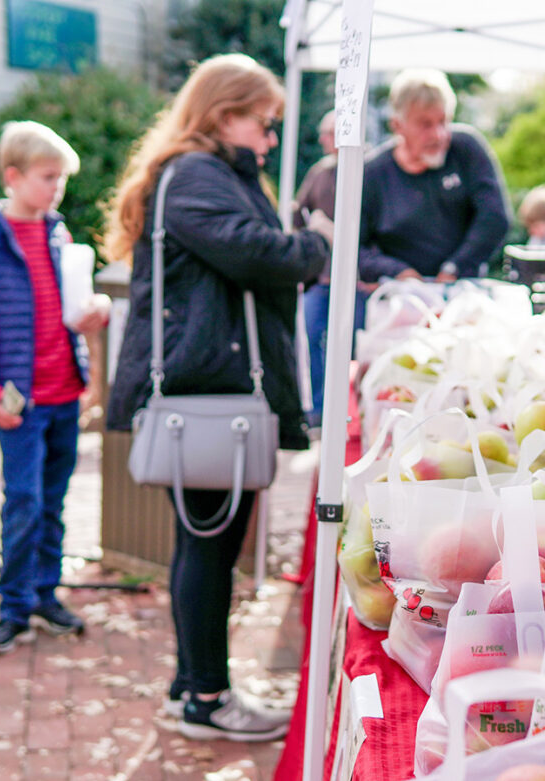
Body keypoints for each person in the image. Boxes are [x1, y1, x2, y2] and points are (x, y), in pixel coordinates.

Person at [102, 54, 330, 742]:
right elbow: (257, 253)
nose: (267, 139)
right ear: (224, 112)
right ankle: (206, 696)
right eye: (262, 123)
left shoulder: (195, 171)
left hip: (206, 387)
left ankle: (190, 686)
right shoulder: (198, 174)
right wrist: (313, 242)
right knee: (208, 545)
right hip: (207, 390)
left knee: (201, 542)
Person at [0, 120, 107, 655]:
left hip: (63, 391)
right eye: (49, 178)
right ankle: (14, 606)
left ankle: (46, 594)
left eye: (61, 180)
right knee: (22, 501)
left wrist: (95, 323)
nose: (57, 189)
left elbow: (73, 309)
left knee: (54, 499)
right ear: (13, 176)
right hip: (20, 400)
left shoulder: (59, 234)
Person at [358, 68, 510, 283]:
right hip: (399, 295)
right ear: (397, 125)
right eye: (425, 124)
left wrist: (455, 267)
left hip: (463, 289)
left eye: (443, 121)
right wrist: (396, 271)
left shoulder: (466, 148)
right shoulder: (372, 174)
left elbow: (494, 217)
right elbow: (353, 247)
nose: (439, 135)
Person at [294, 110, 371, 428]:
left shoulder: (368, 171)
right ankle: (320, 409)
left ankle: (352, 410)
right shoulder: (319, 173)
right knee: (315, 339)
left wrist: (335, 230)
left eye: (328, 133)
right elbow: (298, 212)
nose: (323, 139)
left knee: (353, 346)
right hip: (321, 278)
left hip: (357, 281)